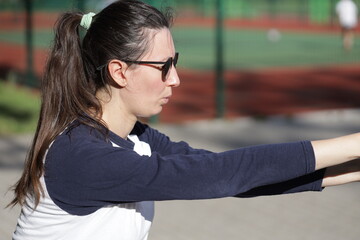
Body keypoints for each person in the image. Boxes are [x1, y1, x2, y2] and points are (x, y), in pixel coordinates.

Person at [8, 1, 360, 239]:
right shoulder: (82, 156)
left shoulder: (136, 137)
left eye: (174, 62)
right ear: (119, 72)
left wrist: (345, 170)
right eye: (163, 67)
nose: (175, 79)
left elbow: (225, 174)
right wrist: (351, 143)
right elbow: (218, 175)